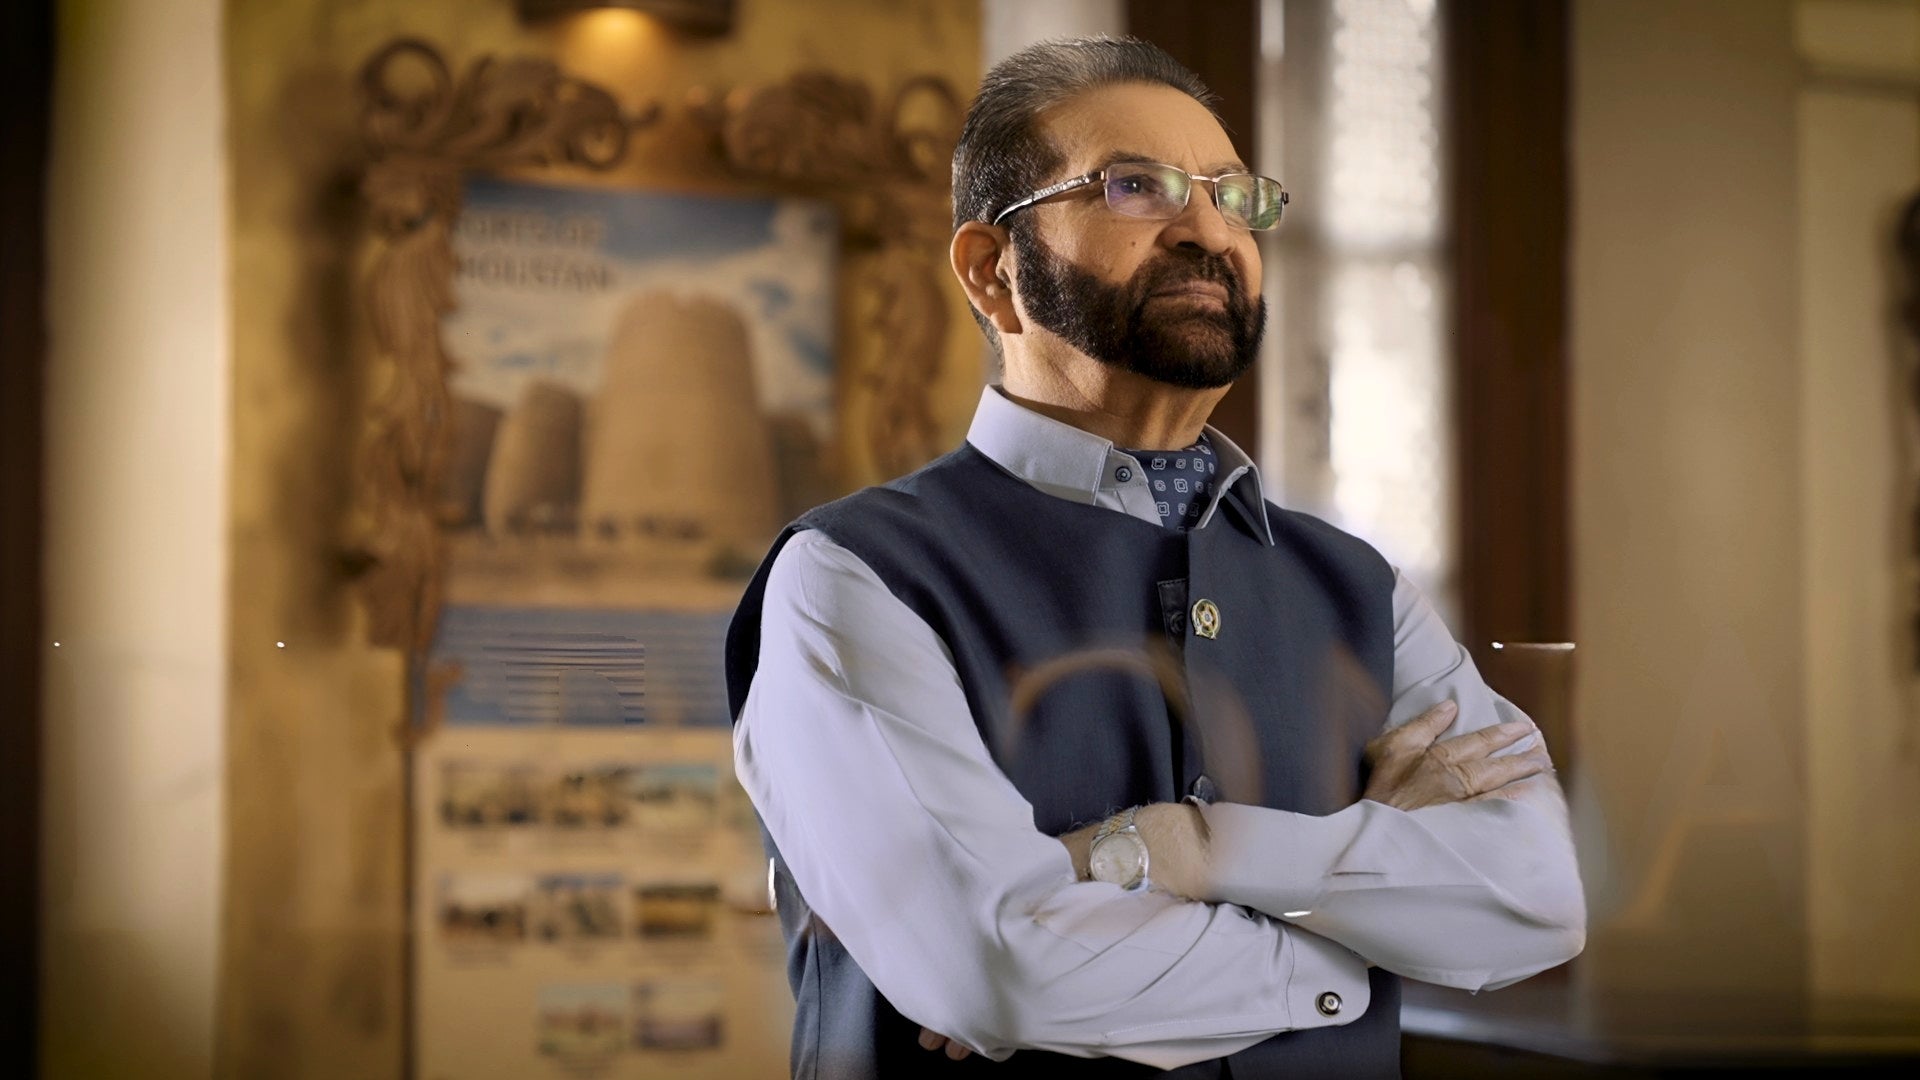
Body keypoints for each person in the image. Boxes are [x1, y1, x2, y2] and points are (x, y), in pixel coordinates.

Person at [725, 36, 1584, 1080]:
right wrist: (1360, 930)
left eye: (1234, 197)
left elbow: (1533, 903)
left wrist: (1189, 850)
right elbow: (998, 974)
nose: (1208, 231)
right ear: (993, 270)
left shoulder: (1363, 587)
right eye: (1135, 187)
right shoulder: (850, 577)